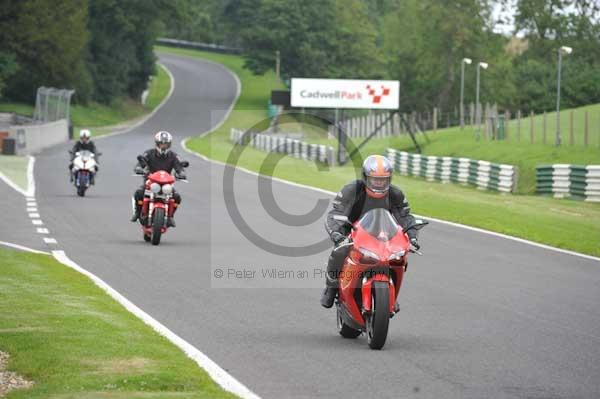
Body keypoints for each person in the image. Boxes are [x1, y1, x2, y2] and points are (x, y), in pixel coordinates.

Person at [320, 154, 420, 308]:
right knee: (338, 253)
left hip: (385, 235)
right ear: (366, 178)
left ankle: (390, 291)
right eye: (375, 179)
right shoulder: (352, 190)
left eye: (383, 180)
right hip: (352, 232)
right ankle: (331, 288)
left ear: (389, 179)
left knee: (400, 257)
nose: (379, 184)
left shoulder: (395, 194)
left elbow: (405, 217)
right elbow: (335, 214)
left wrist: (412, 237)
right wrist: (337, 234)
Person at [130, 131, 186, 227]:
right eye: (161, 143)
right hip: (150, 181)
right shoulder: (148, 153)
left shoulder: (173, 156)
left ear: (169, 144)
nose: (163, 146)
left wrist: (181, 173)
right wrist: (138, 168)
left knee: (177, 197)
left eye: (166, 144)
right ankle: (137, 213)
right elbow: (141, 163)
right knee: (139, 193)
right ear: (157, 143)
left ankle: (170, 216)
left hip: (166, 183)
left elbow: (179, 167)